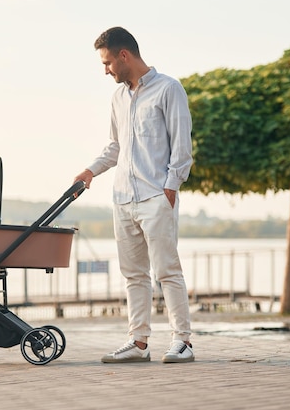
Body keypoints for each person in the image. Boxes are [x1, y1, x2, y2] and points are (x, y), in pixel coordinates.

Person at [74, 27, 194, 364]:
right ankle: (138, 342)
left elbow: (181, 149)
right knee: (133, 275)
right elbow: (114, 147)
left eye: (108, 62)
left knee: (167, 271)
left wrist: (170, 189)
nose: (106, 70)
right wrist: (90, 171)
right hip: (123, 199)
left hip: (157, 196)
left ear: (124, 55)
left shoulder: (169, 89)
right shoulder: (117, 98)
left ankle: (182, 341)